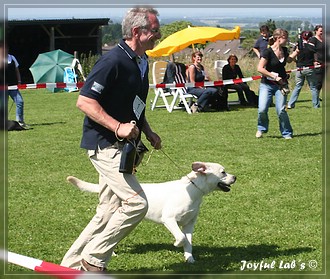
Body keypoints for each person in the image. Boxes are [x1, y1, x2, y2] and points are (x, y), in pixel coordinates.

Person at [60, 7, 162, 272]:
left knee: (107, 211)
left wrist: (147, 130)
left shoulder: (142, 61)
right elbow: (84, 101)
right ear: (138, 32)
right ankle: (93, 258)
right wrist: (118, 127)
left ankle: (69, 266)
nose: (158, 35)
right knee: (137, 203)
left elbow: (134, 104)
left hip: (123, 144)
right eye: (155, 30)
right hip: (104, 145)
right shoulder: (113, 60)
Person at [256, 28, 299, 139]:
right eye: (285, 37)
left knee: (281, 110)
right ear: (278, 38)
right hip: (267, 85)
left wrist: (296, 52)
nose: (287, 40)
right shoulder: (268, 52)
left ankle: (287, 133)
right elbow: (260, 68)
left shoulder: (284, 50)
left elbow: (288, 60)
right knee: (262, 109)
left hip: (281, 85)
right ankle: (261, 128)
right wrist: (274, 76)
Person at [287, 30, 320, 109]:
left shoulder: (298, 46)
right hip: (310, 69)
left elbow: (293, 57)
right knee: (313, 87)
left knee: (298, 86)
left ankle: (290, 104)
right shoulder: (312, 47)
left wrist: (297, 62)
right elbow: (316, 57)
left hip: (299, 69)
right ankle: (316, 105)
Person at [7, 49, 28, 128]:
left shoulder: (12, 57)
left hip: (13, 86)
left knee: (20, 102)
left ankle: (20, 121)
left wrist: (19, 81)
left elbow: (17, 71)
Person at [309, 25, 325, 93]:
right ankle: (316, 97)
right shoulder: (313, 40)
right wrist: (314, 61)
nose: (322, 32)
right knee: (318, 82)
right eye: (321, 31)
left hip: (325, 63)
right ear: (316, 31)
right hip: (318, 64)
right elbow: (310, 51)